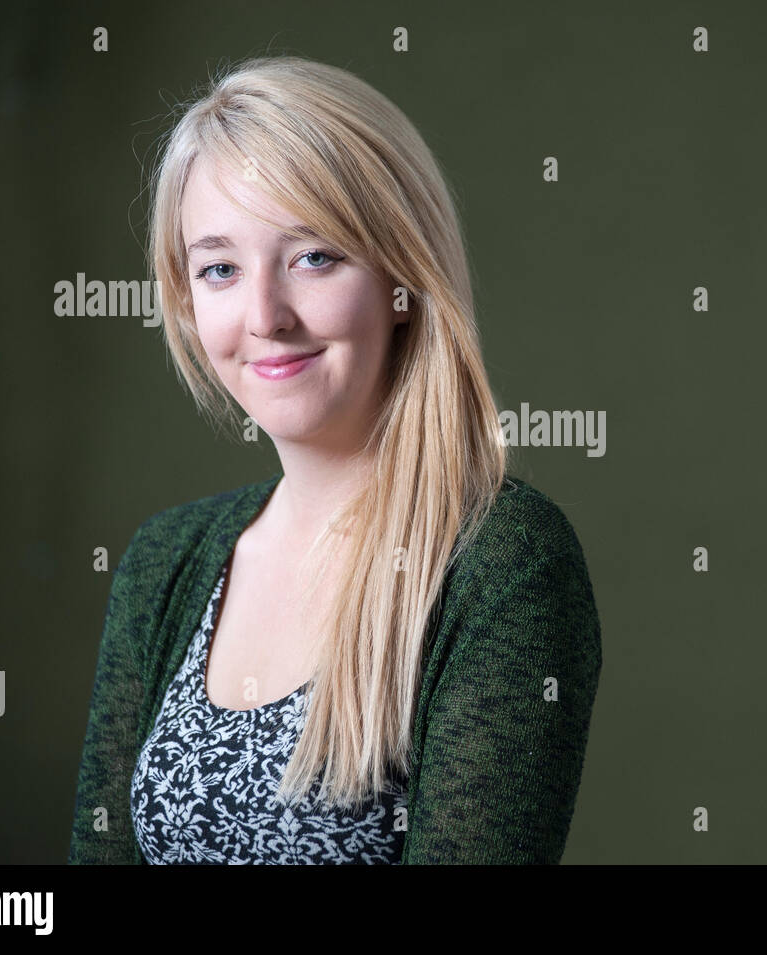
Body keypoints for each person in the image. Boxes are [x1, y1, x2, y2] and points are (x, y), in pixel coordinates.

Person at [67, 56, 602, 864]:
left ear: (404, 276)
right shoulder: (163, 563)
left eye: (313, 256)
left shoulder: (502, 563)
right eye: (219, 268)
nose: (265, 316)